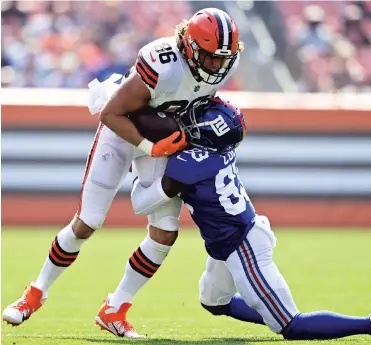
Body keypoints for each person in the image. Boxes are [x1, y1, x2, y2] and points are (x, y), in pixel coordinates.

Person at [3, 8, 244, 339]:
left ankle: (115, 308)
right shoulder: (162, 61)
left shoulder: (214, 66)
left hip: (159, 139)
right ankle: (34, 293)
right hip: (122, 132)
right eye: (210, 57)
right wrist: (149, 147)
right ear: (189, 45)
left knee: (165, 231)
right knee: (87, 222)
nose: (216, 66)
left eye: (222, 59)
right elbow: (111, 113)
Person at [130, 97, 371, 341]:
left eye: (196, 120)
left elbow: (141, 204)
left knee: (293, 326)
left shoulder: (189, 164)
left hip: (241, 246)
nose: (188, 120)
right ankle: (273, 312)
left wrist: (142, 163)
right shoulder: (217, 150)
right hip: (231, 239)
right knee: (213, 302)